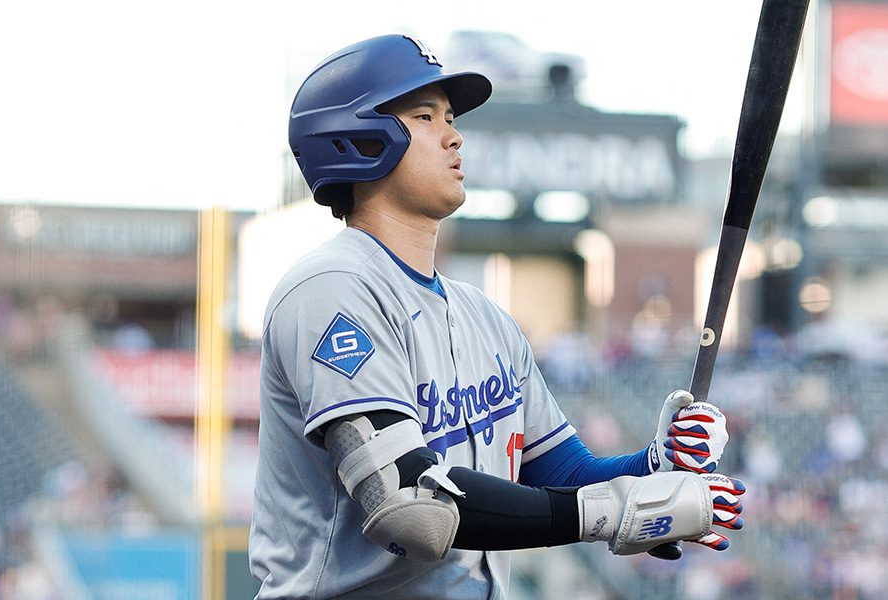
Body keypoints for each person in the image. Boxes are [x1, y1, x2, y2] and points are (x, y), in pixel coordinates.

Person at [249, 34, 745, 600]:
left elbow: (562, 480)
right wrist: (612, 511)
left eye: (451, 116)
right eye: (424, 115)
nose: (454, 134)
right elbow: (410, 507)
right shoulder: (331, 288)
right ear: (359, 137)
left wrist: (655, 466)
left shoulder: (484, 317)